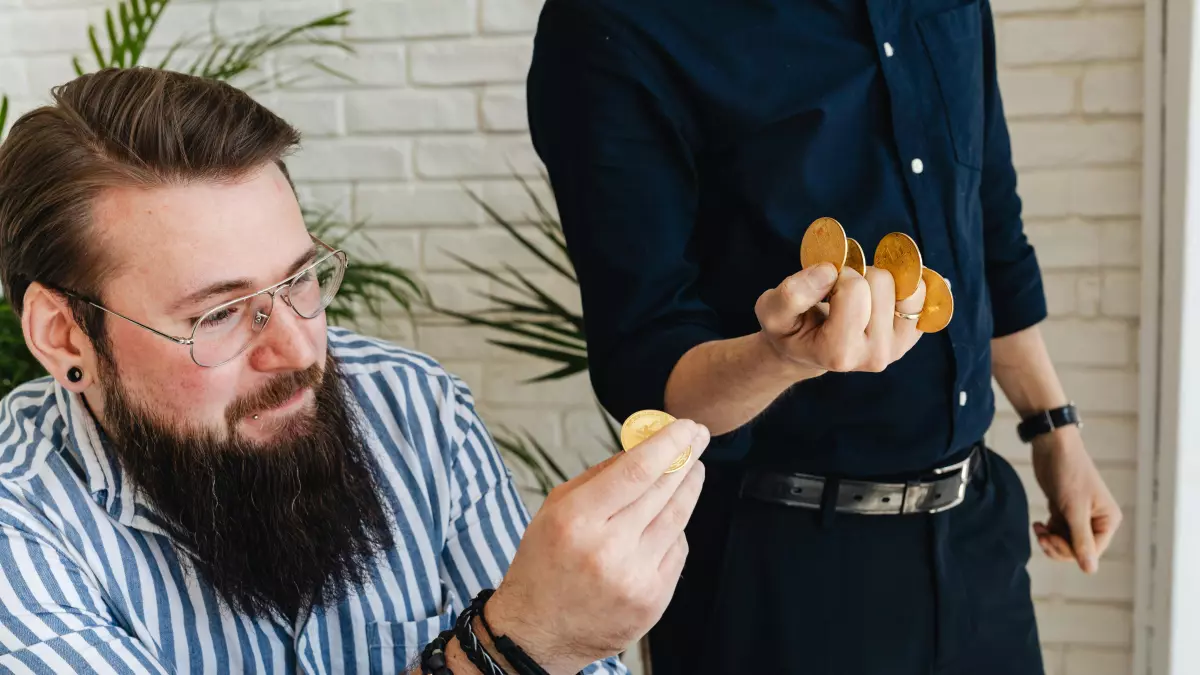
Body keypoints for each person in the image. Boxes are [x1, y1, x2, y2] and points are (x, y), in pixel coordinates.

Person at [0, 67, 712, 675]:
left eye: (301, 279)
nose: (298, 349)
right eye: (218, 314)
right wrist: (514, 645)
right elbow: (534, 637)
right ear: (65, 336)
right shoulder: (18, 524)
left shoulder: (413, 407)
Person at [525, 1, 1123, 673]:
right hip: (777, 574)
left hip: (979, 542)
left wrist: (1054, 427)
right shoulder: (612, 21)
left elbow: (987, 225)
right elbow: (649, 367)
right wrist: (778, 356)